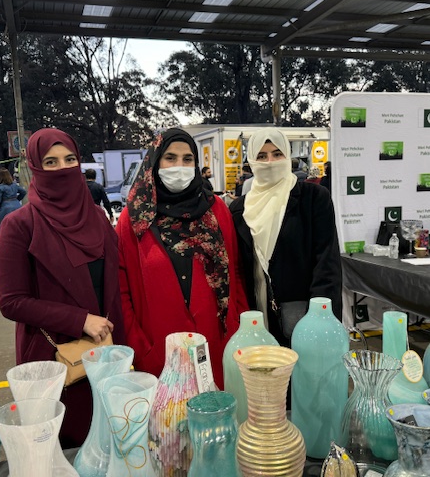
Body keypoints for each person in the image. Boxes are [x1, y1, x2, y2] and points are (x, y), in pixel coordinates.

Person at [0, 128, 124, 448]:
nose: (62, 169)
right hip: (53, 359)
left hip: (104, 351)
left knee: (108, 438)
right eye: (50, 162)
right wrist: (79, 319)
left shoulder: (96, 217)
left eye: (69, 160)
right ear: (36, 168)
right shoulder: (20, 224)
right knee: (63, 443)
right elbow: (11, 301)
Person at [116, 128, 248, 389]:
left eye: (188, 159)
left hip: (217, 343)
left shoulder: (216, 210)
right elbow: (122, 290)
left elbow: (235, 271)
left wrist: (238, 327)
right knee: (168, 426)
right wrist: (141, 347)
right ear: (154, 163)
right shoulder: (135, 218)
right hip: (160, 352)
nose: (180, 166)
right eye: (170, 158)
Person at [229, 128, 342, 347]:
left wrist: (320, 320)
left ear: (288, 157)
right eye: (261, 156)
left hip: (304, 318)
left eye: (277, 154)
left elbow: (327, 263)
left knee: (304, 377)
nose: (270, 161)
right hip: (257, 318)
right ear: (251, 161)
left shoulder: (313, 198)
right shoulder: (239, 209)